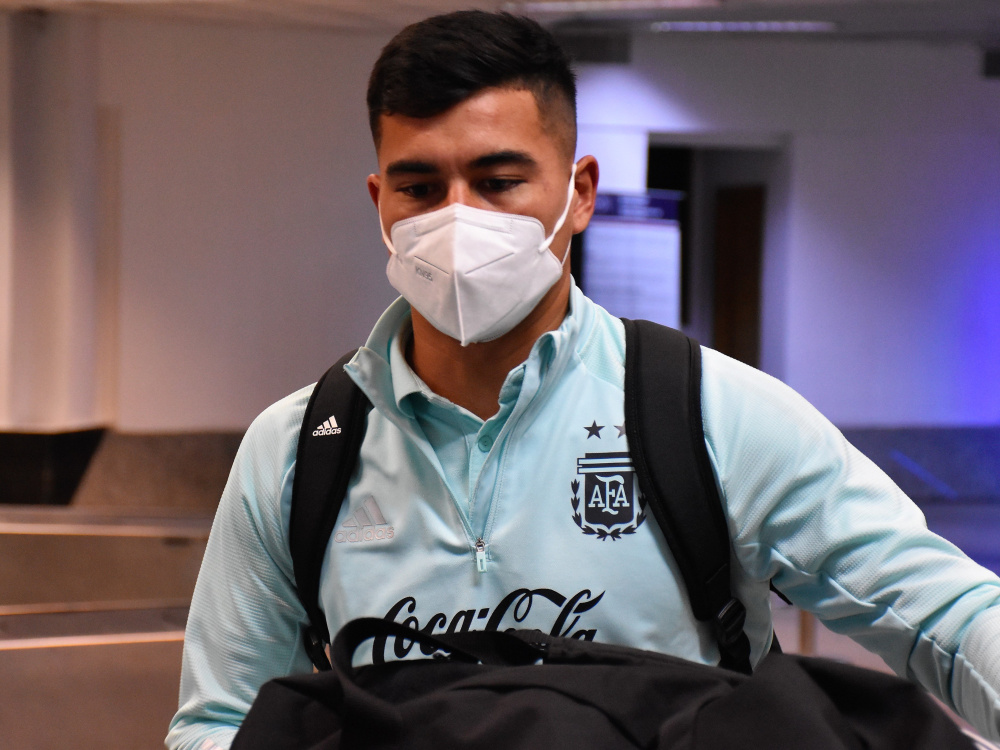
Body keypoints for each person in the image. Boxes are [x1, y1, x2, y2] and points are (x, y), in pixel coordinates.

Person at [166, 10, 1000, 750]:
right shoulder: (298, 451)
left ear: (580, 193)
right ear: (380, 201)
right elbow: (219, 719)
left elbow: (947, 617)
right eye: (421, 187)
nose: (458, 218)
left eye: (499, 182)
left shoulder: (708, 414)